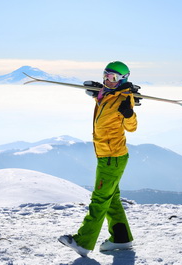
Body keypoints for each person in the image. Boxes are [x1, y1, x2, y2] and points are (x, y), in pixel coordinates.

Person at [58, 61, 138, 257]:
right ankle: (121, 238)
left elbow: (132, 126)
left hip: (112, 157)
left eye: (112, 78)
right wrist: (96, 93)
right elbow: (105, 107)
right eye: (105, 75)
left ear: (122, 79)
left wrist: (129, 114)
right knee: (112, 200)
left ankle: (83, 242)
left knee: (100, 199)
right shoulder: (107, 95)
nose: (107, 80)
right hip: (106, 154)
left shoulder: (123, 99)